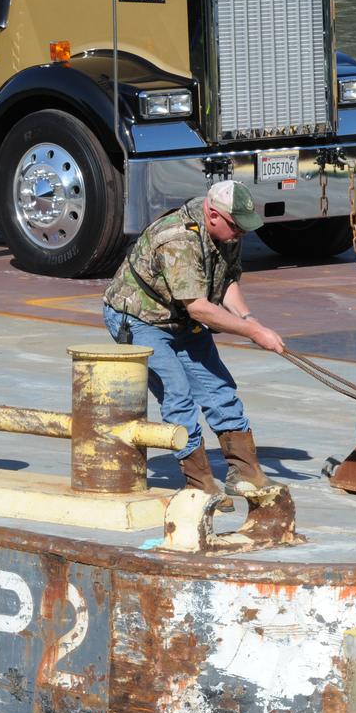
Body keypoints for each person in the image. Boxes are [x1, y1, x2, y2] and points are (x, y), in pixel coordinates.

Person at [101, 180, 285, 499]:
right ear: (213, 214)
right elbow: (200, 308)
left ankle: (244, 471)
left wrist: (249, 319)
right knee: (178, 394)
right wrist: (255, 333)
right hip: (140, 318)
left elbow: (226, 283)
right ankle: (199, 482)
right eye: (236, 226)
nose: (241, 233)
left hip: (182, 319)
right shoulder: (178, 238)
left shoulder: (226, 232)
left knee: (219, 390)